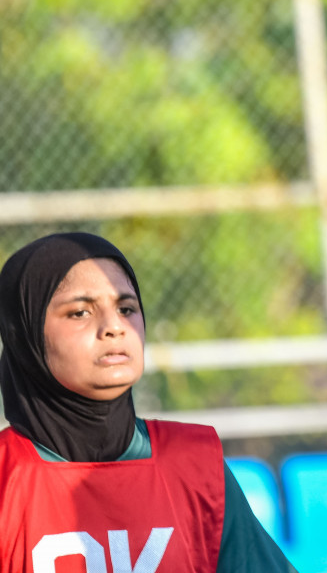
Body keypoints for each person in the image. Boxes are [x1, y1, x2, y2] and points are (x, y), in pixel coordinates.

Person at [0, 232, 294, 572]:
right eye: (80, 312)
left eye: (126, 308)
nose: (114, 327)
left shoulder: (196, 464)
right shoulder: (7, 479)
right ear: (25, 334)